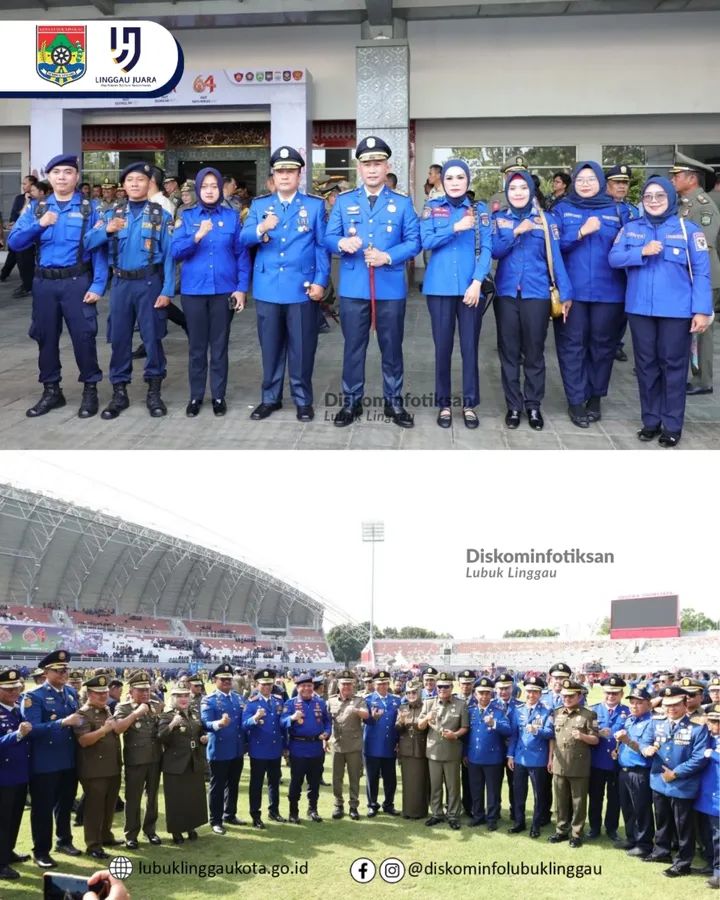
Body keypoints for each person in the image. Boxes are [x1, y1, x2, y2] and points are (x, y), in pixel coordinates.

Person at [608, 175, 712, 446]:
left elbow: (702, 273)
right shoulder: (631, 229)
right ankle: (651, 421)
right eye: (648, 197)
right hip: (640, 310)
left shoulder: (688, 230)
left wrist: (702, 310)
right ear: (642, 201)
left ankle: (672, 425)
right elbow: (614, 257)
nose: (653, 201)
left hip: (676, 313)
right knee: (646, 367)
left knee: (674, 367)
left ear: (671, 199)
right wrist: (641, 251)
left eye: (660, 196)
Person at [325, 136, 421, 428]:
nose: (372, 169)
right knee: (354, 347)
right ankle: (351, 402)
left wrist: (387, 257)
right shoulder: (344, 201)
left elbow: (414, 242)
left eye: (377, 163)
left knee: (391, 348)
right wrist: (342, 242)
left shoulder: (402, 203)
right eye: (366, 163)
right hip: (354, 288)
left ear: (386, 166)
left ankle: (394, 403)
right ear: (359, 167)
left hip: (390, 287)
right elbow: (328, 238)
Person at [8, 155, 106, 419]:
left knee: (83, 337)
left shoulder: (90, 208)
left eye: (68, 172)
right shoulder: (36, 209)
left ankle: (90, 390)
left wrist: (98, 284)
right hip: (44, 285)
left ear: (76, 177)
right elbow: (15, 243)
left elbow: (99, 248)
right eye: (57, 172)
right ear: (49, 177)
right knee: (45, 337)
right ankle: (52, 390)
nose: (62, 176)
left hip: (77, 282)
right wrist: (39, 225)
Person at [241, 147, 330, 422]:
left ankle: (303, 400)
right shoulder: (259, 206)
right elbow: (244, 240)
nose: (284, 176)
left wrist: (320, 281)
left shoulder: (314, 206)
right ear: (273, 176)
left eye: (290, 171)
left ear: (299, 174)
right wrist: (261, 228)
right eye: (280, 171)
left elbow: (322, 246)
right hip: (268, 287)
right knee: (270, 346)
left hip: (300, 287)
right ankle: (270, 398)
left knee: (302, 348)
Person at [84, 161, 175, 420]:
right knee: (120, 338)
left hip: (150, 283)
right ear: (124, 186)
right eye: (130, 180)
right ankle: (119, 392)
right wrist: (107, 232)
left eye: (141, 180)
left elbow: (169, 256)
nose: (135, 184)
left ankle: (154, 392)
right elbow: (88, 242)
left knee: (152, 338)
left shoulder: (160, 215)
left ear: (149, 184)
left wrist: (167, 289)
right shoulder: (110, 214)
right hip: (122, 284)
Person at [552, 161, 633, 427]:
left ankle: (595, 397)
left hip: (609, 294)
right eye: (581, 179)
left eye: (591, 178)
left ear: (601, 182)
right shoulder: (561, 210)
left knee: (602, 347)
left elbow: (627, 250)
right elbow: (552, 249)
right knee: (571, 347)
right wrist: (579, 233)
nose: (586, 183)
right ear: (573, 182)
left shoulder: (620, 212)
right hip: (571, 293)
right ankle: (575, 400)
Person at [491, 170, 573, 430]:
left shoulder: (546, 221)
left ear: (531, 191)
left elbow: (556, 259)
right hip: (506, 294)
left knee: (535, 352)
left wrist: (566, 293)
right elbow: (494, 251)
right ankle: (514, 406)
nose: (518, 193)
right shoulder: (498, 220)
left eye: (523, 188)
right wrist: (516, 231)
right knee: (509, 352)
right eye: (513, 189)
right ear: (507, 192)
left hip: (536, 293)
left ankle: (533, 405)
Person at [172, 166, 250, 416]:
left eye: (213, 186)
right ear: (198, 189)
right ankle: (196, 396)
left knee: (219, 346)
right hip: (193, 292)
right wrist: (196, 236)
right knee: (196, 347)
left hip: (224, 291)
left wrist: (241, 288)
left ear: (220, 189)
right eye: (204, 186)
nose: (208, 190)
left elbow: (241, 255)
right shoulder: (186, 216)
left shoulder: (231, 217)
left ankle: (218, 396)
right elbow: (175, 252)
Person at [420, 158, 492, 429]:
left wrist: (477, 281)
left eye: (460, 177)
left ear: (467, 181)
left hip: (469, 289)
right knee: (443, 348)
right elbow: (425, 241)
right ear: (442, 181)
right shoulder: (432, 208)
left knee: (470, 347)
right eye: (449, 178)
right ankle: (444, 404)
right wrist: (454, 228)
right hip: (439, 288)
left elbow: (487, 247)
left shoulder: (480, 210)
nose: (454, 182)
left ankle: (470, 403)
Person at [21, 649, 83, 868]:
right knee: (42, 809)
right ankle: (41, 851)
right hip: (45, 762)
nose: (64, 673)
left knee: (65, 804)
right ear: (46, 672)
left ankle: (64, 841)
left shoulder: (70, 693)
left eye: (66, 669)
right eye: (58, 670)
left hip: (68, 759)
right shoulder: (33, 696)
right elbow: (32, 730)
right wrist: (62, 723)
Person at [641, 685, 709, 877]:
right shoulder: (656, 723)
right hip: (659, 781)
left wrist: (676, 773)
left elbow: (699, 758)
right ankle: (661, 851)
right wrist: (645, 749)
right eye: (667, 705)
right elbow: (645, 742)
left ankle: (683, 862)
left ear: (685, 704)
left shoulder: (697, 728)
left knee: (683, 826)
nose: (671, 709)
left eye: (676, 705)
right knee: (662, 820)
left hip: (682, 784)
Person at [669, 152, 720, 398]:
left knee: (703, 330)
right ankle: (693, 373)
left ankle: (703, 379)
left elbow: (704, 243)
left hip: (702, 275)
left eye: (676, 176)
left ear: (692, 178)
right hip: (685, 275)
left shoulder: (702, 205)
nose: (672, 179)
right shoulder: (682, 205)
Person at [72, 674, 122, 860]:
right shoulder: (83, 714)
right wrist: (104, 730)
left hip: (112, 766)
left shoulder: (106, 710)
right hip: (94, 770)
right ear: (89, 694)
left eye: (105, 693)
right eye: (98, 693)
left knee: (109, 806)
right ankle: (93, 844)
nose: (103, 696)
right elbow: (84, 741)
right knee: (95, 808)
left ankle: (106, 836)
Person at [112, 670, 164, 849]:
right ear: (131, 691)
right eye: (140, 690)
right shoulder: (124, 707)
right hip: (135, 760)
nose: (145, 693)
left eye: (147, 690)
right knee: (133, 798)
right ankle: (131, 835)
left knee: (152, 798)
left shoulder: (156, 705)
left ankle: (150, 830)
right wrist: (137, 713)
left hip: (155, 758)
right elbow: (118, 729)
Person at [547, 679, 599, 848]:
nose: (567, 699)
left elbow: (595, 739)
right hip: (559, 764)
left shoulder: (588, 715)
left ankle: (576, 833)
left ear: (579, 696)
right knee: (560, 800)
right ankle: (561, 830)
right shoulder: (557, 713)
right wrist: (550, 759)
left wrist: (583, 736)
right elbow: (553, 739)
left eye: (571, 696)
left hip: (579, 765)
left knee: (578, 801)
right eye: (564, 696)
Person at [418, 672, 469, 830]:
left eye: (446, 686)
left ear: (451, 687)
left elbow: (465, 727)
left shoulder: (461, 704)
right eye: (439, 686)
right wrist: (427, 718)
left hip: (452, 751)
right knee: (435, 785)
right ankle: (437, 813)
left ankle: (453, 814)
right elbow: (420, 725)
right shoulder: (428, 703)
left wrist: (455, 735)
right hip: (433, 751)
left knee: (453, 786)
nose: (442, 689)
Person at [158, 686, 209, 843]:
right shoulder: (167, 716)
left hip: (193, 762)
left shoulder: (193, 714)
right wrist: (172, 724)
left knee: (192, 798)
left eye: (186, 695)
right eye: (179, 696)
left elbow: (199, 732)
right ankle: (176, 831)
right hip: (175, 764)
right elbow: (160, 737)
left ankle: (191, 826)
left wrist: (203, 738)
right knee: (176, 800)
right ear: (173, 699)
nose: (183, 699)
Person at [200, 663, 247, 835]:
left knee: (233, 785)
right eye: (223, 679)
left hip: (236, 749)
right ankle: (216, 820)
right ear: (215, 680)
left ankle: (230, 814)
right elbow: (205, 722)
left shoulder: (237, 698)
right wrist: (218, 723)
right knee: (217, 786)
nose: (227, 682)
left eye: (229, 679)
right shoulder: (209, 700)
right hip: (219, 750)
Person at [506, 676, 554, 838]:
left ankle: (536, 825)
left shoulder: (547, 711)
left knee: (538, 795)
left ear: (540, 694)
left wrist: (536, 730)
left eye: (535, 692)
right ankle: (519, 822)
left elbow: (550, 733)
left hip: (538, 759)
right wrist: (510, 755)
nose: (531, 695)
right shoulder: (518, 710)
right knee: (519, 792)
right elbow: (514, 735)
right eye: (529, 691)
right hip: (520, 758)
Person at [281, 673, 331, 823]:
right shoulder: (290, 704)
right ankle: (293, 812)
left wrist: (327, 733)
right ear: (298, 687)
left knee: (314, 782)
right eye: (303, 686)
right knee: (296, 782)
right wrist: (291, 718)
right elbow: (282, 723)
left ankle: (313, 810)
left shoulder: (320, 703)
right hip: (298, 748)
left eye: (309, 685)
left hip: (316, 747)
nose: (306, 688)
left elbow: (327, 722)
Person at [242, 668, 287, 828]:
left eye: (269, 684)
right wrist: (255, 718)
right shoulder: (252, 702)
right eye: (263, 684)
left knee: (274, 782)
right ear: (257, 684)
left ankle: (274, 811)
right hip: (259, 750)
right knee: (257, 784)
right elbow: (244, 724)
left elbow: (282, 727)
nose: (267, 687)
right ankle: (256, 815)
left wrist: (285, 746)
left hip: (275, 749)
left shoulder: (278, 701)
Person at [464, 677, 511, 830]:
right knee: (476, 790)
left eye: (487, 693)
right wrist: (465, 753)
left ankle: (491, 818)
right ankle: (478, 816)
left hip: (493, 758)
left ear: (492, 694)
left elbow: (508, 730)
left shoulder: (498, 711)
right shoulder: (470, 711)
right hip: (474, 757)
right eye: (481, 693)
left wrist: (494, 723)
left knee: (492, 791)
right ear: (475, 694)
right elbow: (466, 736)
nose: (484, 696)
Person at [613, 686, 655, 858]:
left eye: (639, 703)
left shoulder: (651, 723)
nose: (634, 706)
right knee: (627, 808)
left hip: (640, 772)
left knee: (641, 810)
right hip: (624, 770)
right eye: (632, 702)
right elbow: (625, 744)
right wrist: (617, 750)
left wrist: (627, 740)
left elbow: (644, 749)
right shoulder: (630, 720)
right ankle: (632, 838)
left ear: (649, 704)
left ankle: (644, 844)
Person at [0, 668, 32, 882]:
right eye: (8, 688)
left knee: (14, 818)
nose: (14, 692)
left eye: (16, 688)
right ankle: (1, 864)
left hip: (20, 774)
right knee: (2, 821)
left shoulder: (16, 709)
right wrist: (17, 734)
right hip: (4, 776)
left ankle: (8, 851)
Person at [587, 675, 629, 841]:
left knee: (615, 798)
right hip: (596, 761)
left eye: (615, 693)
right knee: (595, 797)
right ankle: (594, 827)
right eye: (608, 693)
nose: (611, 696)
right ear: (603, 692)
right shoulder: (593, 710)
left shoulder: (627, 712)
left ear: (621, 694)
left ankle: (611, 829)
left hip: (616, 763)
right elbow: (587, 732)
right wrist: (597, 733)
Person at [326, 669, 368, 821]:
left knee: (354, 777)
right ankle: (338, 805)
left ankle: (353, 806)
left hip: (354, 746)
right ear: (338, 684)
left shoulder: (359, 700)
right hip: (337, 745)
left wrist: (356, 710)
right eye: (344, 684)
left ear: (354, 685)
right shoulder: (331, 701)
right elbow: (326, 722)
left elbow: (366, 714)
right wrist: (325, 739)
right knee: (337, 777)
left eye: (349, 684)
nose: (347, 687)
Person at [362, 670, 402, 817]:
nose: (383, 686)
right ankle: (372, 804)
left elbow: (398, 724)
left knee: (390, 778)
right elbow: (364, 720)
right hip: (372, 745)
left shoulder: (396, 700)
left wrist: (398, 742)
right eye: (379, 684)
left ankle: (388, 804)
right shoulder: (366, 700)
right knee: (372, 778)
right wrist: (372, 717)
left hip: (390, 745)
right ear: (374, 684)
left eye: (385, 683)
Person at [395, 680, 429, 820]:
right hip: (406, 750)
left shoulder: (425, 706)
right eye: (408, 693)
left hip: (421, 749)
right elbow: (397, 728)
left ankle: (420, 812)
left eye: (414, 692)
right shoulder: (403, 707)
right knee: (408, 782)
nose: (411, 695)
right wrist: (401, 721)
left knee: (421, 781)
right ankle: (407, 811)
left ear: (419, 692)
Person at [695, 703, 719, 888]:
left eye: (717, 721)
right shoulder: (707, 738)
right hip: (704, 794)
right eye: (711, 720)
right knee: (708, 833)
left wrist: (714, 755)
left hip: (717, 796)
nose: (714, 725)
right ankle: (711, 864)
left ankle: (718, 873)